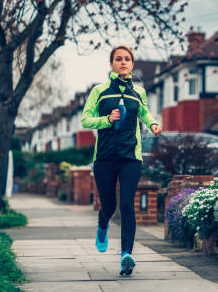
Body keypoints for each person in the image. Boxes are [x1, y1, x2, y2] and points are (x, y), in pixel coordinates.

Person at [81, 45, 162, 276]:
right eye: (118, 59)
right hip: (105, 157)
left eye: (127, 59)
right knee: (109, 205)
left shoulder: (139, 91)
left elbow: (144, 111)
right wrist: (107, 119)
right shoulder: (100, 91)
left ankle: (126, 253)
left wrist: (153, 123)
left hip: (130, 157)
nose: (123, 62)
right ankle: (103, 224)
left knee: (127, 203)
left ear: (132, 64)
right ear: (112, 63)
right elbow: (85, 119)